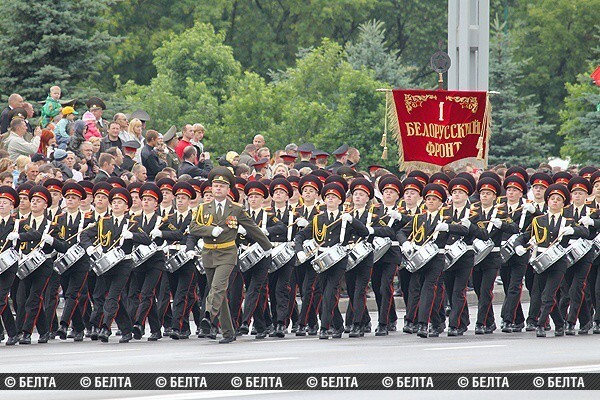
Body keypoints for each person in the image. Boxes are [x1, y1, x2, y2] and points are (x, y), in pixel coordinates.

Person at [190, 167, 272, 344]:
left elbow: (252, 228)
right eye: (215, 185)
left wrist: (267, 246)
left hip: (228, 253)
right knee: (219, 294)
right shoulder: (203, 208)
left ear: (228, 190)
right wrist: (211, 230)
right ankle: (228, 332)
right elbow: (193, 228)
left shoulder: (236, 209)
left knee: (218, 288)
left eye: (222, 186)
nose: (218, 188)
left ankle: (208, 316)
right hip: (209, 252)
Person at [295, 182, 369, 339]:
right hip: (321, 260)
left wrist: (352, 221)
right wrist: (300, 251)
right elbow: (300, 236)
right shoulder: (317, 219)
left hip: (338, 259)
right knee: (324, 292)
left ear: (340, 201)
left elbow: (364, 232)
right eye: (328, 197)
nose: (330, 199)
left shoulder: (345, 218)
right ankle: (338, 324)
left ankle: (324, 327)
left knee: (330, 291)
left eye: (334, 197)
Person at [515, 184, 588, 337]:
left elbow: (585, 231)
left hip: (559, 261)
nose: (555, 201)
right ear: (548, 201)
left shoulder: (568, 220)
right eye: (552, 199)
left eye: (558, 199)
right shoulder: (538, 220)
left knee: (548, 295)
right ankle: (560, 324)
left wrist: (573, 230)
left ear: (563, 204)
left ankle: (541, 324)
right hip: (541, 261)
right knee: (543, 293)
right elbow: (525, 236)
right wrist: (518, 246)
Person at [81, 187, 151, 343]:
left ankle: (105, 328)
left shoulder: (132, 224)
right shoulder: (103, 222)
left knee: (112, 296)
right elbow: (84, 234)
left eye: (120, 202)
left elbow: (146, 239)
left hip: (123, 264)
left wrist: (133, 235)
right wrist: (90, 248)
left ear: (127, 207)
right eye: (114, 202)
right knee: (115, 299)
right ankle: (126, 330)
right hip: (106, 265)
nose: (116, 205)